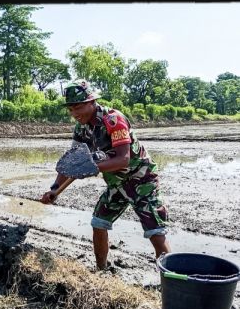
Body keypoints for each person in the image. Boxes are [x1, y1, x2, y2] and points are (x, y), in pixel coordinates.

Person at [40, 79, 171, 270]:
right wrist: (54, 189)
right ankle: (101, 270)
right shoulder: (81, 129)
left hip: (140, 179)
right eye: (71, 110)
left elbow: (123, 159)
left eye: (78, 107)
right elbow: (72, 162)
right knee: (99, 222)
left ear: (92, 102)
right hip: (116, 183)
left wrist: (92, 168)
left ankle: (169, 282)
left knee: (155, 231)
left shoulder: (113, 120)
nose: (74, 114)